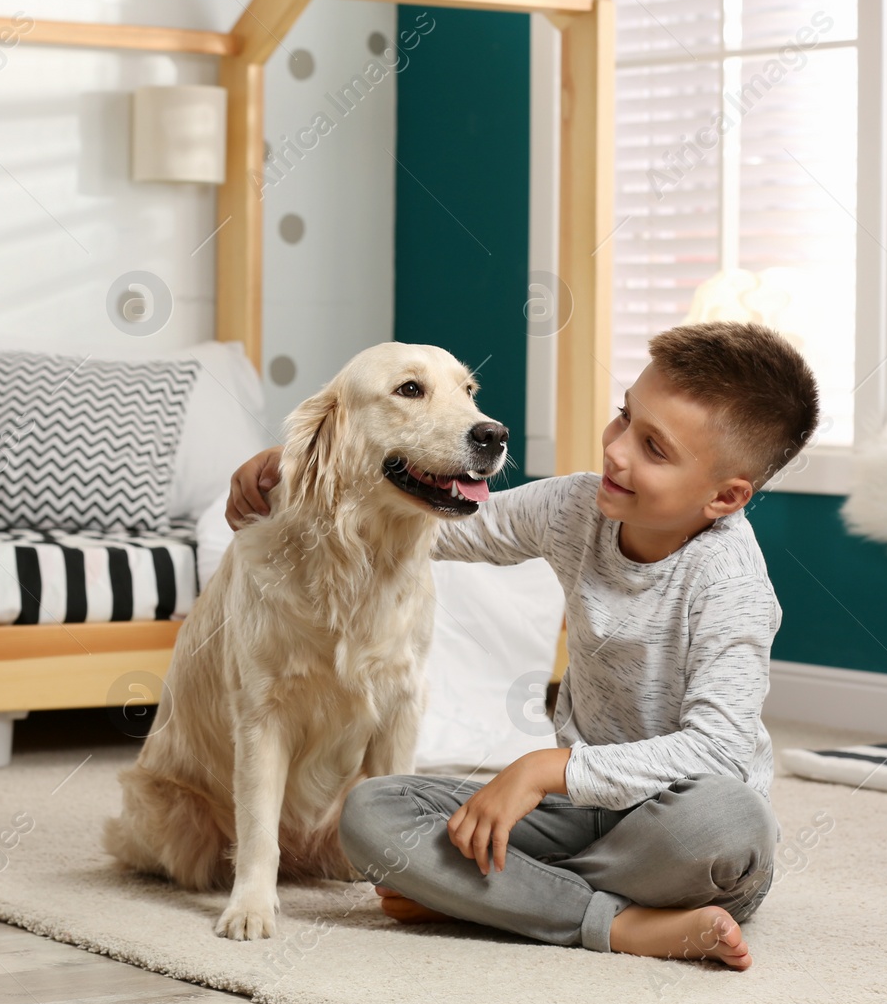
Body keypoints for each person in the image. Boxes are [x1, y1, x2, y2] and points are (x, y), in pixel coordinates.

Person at [223, 321, 819, 970]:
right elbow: (435, 527)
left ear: (726, 497)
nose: (617, 451)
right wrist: (294, 473)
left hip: (676, 826)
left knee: (732, 826)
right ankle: (604, 914)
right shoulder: (575, 506)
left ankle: (529, 902)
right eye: (624, 417)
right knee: (371, 812)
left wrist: (540, 769)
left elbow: (718, 749)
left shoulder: (732, 585)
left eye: (654, 447)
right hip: (578, 818)